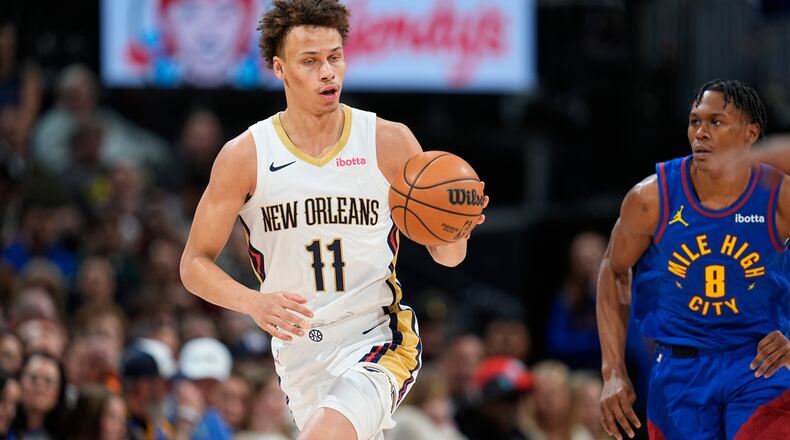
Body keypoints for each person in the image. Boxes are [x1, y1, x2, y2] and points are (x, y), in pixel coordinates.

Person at [179, 1, 487, 439]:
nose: (328, 72)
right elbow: (193, 265)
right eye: (310, 61)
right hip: (299, 354)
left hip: (377, 337)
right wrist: (252, 302)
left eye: (335, 57)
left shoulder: (387, 140)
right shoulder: (246, 155)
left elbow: (448, 257)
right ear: (280, 68)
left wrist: (458, 226)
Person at [597, 79, 790, 440]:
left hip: (760, 364)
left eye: (716, 122)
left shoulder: (780, 195)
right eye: (695, 121)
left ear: (751, 133)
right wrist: (613, 371)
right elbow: (614, 270)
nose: (700, 133)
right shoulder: (651, 198)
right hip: (680, 370)